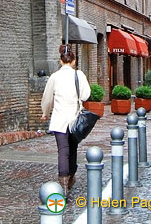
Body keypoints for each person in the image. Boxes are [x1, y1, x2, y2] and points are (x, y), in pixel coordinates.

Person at [41, 44, 91, 197]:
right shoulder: (79, 75)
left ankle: (63, 186)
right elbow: (86, 95)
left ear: (61, 61)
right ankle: (70, 177)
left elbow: (47, 98)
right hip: (74, 119)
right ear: (74, 61)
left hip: (59, 120)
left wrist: (45, 113)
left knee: (63, 151)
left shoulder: (54, 77)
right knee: (73, 149)